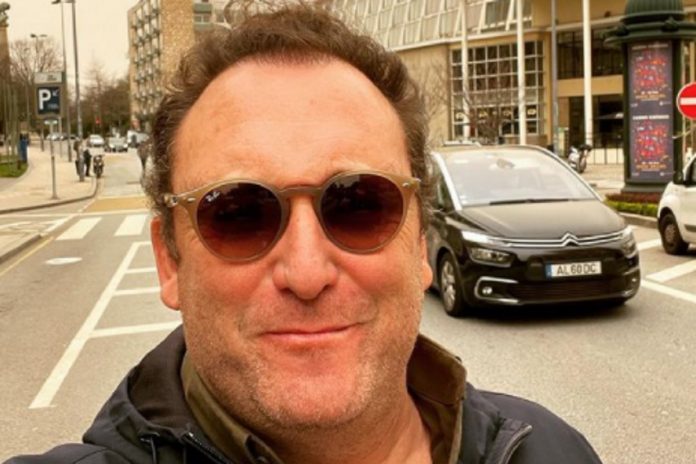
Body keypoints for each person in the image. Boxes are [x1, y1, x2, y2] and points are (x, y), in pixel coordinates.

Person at [6, 5, 603, 464]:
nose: (308, 272)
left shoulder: (552, 450)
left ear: (420, 239)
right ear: (169, 261)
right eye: (238, 214)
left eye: (360, 205)